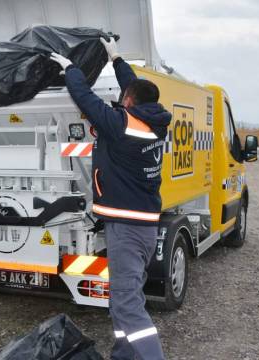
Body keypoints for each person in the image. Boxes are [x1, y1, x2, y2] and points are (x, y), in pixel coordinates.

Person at [50, 37, 171, 360]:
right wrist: (116, 60)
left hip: (127, 229)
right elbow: (135, 88)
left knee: (126, 303)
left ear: (128, 102)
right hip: (143, 226)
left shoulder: (120, 126)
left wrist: (72, 69)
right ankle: (124, 355)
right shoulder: (155, 123)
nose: (120, 98)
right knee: (127, 298)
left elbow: (86, 99)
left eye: (123, 97)